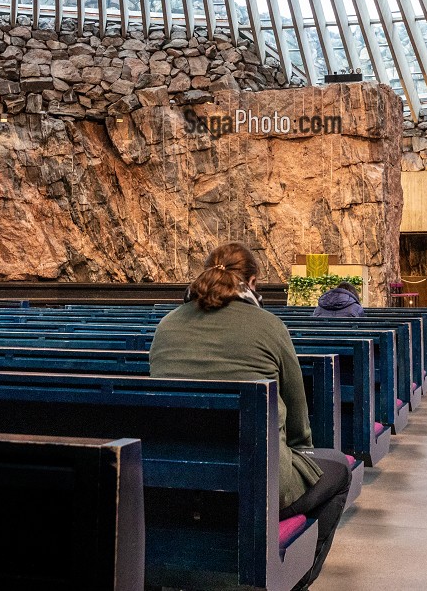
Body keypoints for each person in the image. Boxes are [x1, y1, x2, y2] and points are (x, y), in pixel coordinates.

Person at [150, 242, 351, 591]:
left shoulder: (167, 327)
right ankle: (297, 579)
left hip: (178, 482)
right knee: (339, 469)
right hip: (259, 485)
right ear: (253, 282)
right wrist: (302, 453)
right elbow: (298, 415)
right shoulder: (268, 326)